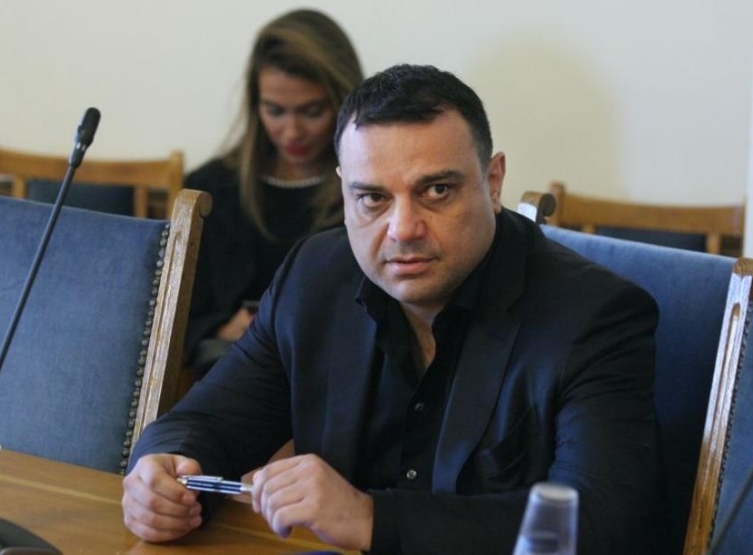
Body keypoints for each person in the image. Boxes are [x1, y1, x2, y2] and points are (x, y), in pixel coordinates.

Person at [123, 64, 659, 555]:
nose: (403, 229)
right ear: (344, 192)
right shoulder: (315, 277)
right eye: (373, 198)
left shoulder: (594, 317)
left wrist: (371, 518)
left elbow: (599, 523)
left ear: (493, 182)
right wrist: (164, 475)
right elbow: (205, 422)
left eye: (437, 190)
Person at [184, 9, 364, 375]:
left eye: (312, 111)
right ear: (256, 105)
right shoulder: (212, 188)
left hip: (339, 372)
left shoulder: (369, 189)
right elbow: (173, 312)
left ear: (344, 102)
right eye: (275, 110)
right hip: (234, 371)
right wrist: (222, 328)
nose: (292, 132)